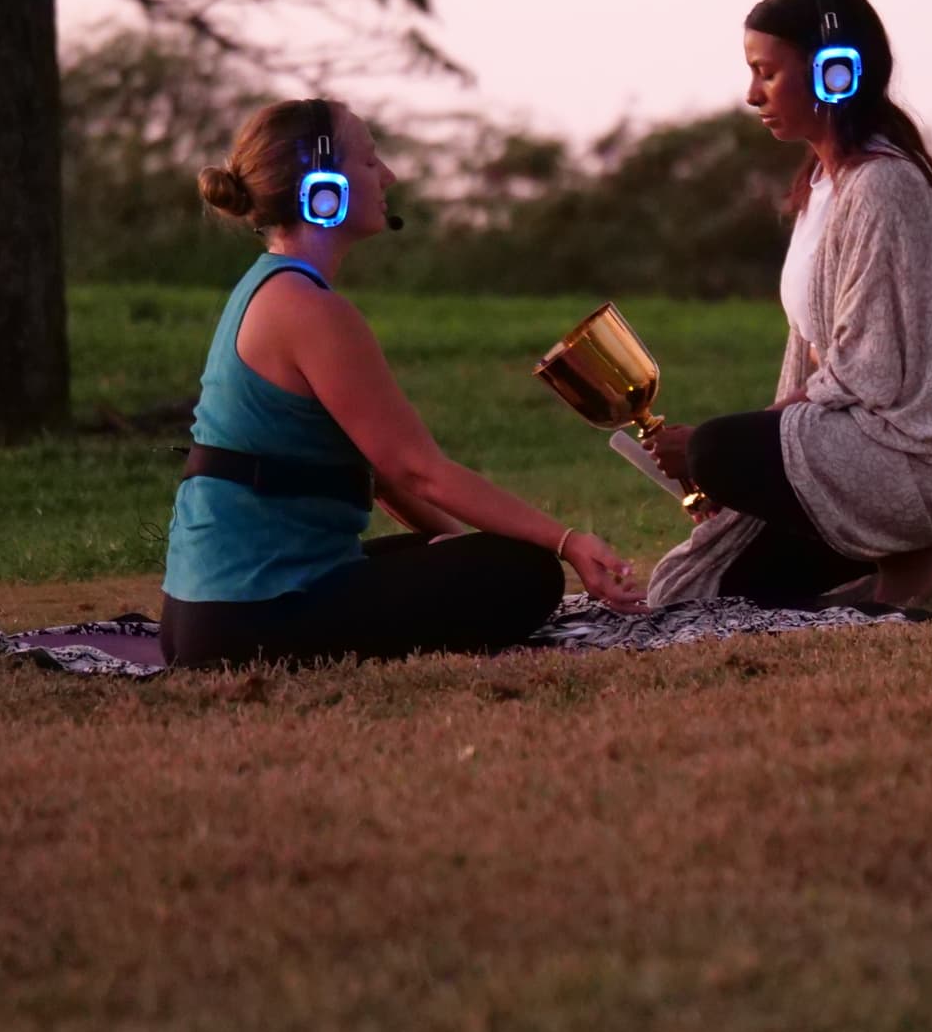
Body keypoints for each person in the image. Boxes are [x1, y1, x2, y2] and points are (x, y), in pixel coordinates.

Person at [160, 98, 645, 669]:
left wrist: (461, 543)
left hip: (209, 618)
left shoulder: (272, 289)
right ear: (323, 185)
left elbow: (388, 478)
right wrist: (568, 544)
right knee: (528, 571)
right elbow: (419, 470)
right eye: (369, 161)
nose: (387, 175)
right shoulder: (308, 309)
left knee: (486, 556)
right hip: (250, 621)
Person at [642, 0, 932, 609]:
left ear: (834, 71)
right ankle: (914, 551)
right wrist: (759, 475)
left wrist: (723, 459)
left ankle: (920, 545)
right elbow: (809, 366)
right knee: (692, 592)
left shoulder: (883, 186)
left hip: (924, 457)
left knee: (715, 448)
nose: (752, 95)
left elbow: (868, 371)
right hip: (852, 456)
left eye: (767, 74)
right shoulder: (820, 186)